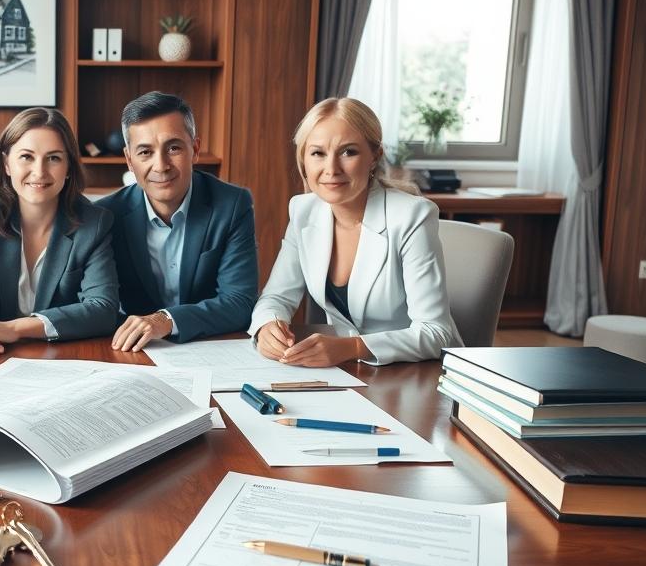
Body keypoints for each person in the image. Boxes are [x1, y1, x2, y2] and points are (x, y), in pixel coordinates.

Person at [250, 97, 461, 366]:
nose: (331, 169)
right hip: (351, 375)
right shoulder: (304, 211)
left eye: (348, 152)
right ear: (304, 159)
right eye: (318, 153)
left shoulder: (412, 216)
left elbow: (437, 333)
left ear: (375, 156)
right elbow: (277, 296)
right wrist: (268, 326)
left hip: (419, 374)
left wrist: (354, 347)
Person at [0, 107, 120, 358]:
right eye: (27, 157)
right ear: (7, 164)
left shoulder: (94, 222)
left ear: (69, 167)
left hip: (62, 356)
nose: (39, 172)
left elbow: (103, 309)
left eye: (53, 158)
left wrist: (16, 329)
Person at [96, 92, 258, 351]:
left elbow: (240, 302)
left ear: (194, 149)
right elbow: (96, 305)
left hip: (208, 346)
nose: (161, 166)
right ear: (129, 160)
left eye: (173, 148)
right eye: (145, 152)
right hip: (135, 351)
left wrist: (166, 321)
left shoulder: (231, 204)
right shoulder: (105, 216)